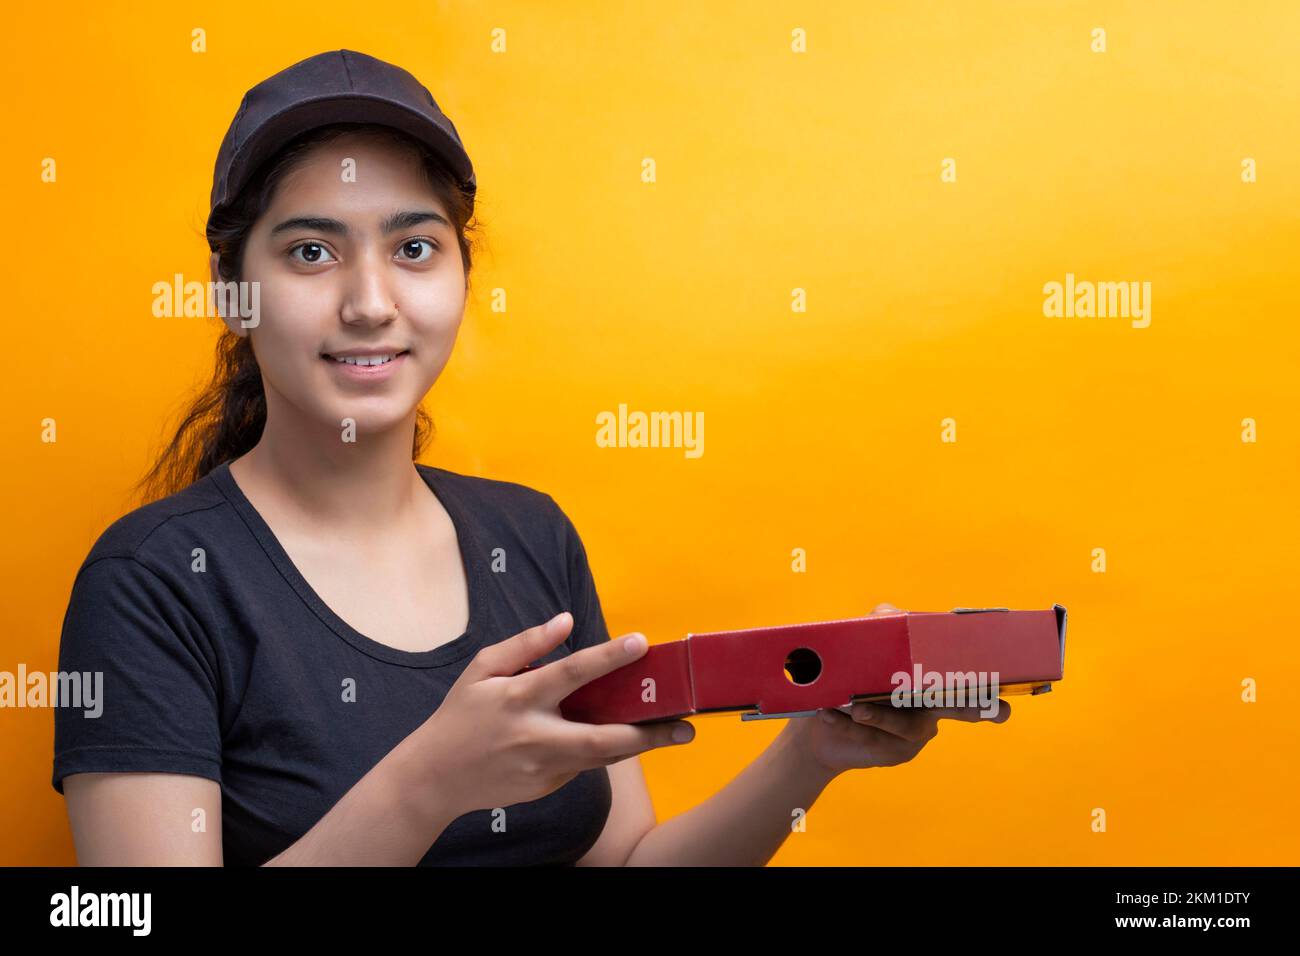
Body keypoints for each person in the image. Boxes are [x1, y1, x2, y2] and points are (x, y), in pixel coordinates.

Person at [51, 50, 1010, 867]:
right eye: (310, 253)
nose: (370, 301)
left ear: (463, 273)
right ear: (232, 293)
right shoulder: (153, 584)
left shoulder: (529, 537)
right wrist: (429, 783)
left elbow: (622, 864)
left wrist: (812, 754)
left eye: (415, 247)